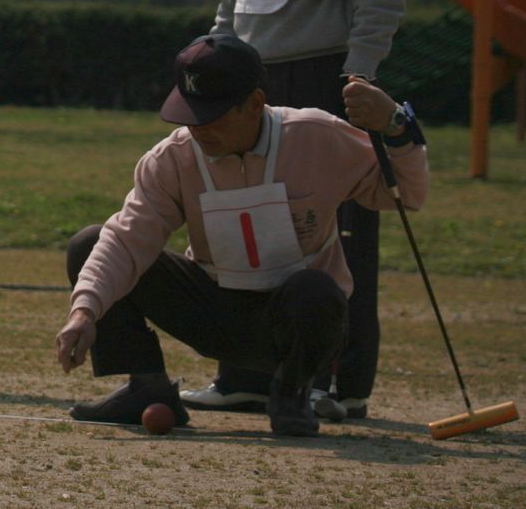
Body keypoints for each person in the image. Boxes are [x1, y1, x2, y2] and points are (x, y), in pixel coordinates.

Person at [55, 34, 427, 437]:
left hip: (295, 321)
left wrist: (396, 125)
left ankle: (292, 391)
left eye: (211, 114)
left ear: (253, 104)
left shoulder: (318, 136)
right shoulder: (170, 159)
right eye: (188, 112)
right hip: (210, 311)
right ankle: (148, 387)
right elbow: (127, 240)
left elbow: (406, 195)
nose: (197, 128)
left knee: (317, 290)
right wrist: (85, 312)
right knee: (92, 243)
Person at [192, 0, 407, 420]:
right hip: (255, 85)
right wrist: (216, 75)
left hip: (325, 74)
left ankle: (335, 378)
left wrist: (361, 74)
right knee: (251, 226)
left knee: (332, 233)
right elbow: (228, 5)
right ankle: (252, 369)